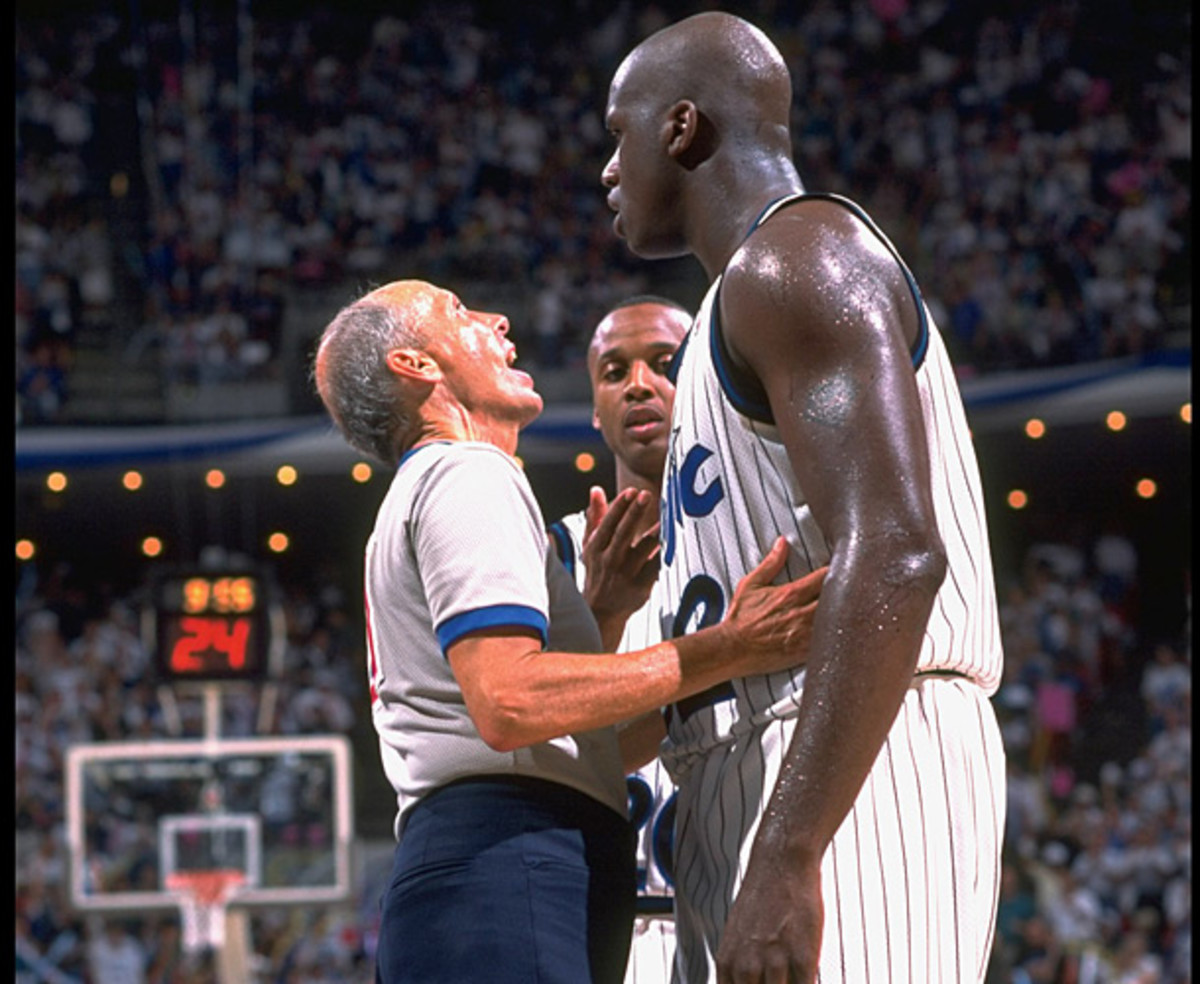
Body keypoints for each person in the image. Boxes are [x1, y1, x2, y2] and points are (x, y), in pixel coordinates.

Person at [601, 12, 1007, 984]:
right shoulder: (719, 318)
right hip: (749, 769)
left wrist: (789, 852)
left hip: (851, 765)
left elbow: (900, 552)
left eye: (618, 137)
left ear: (682, 127)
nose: (607, 173)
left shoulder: (798, 255)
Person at [311, 278, 825, 984]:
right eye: (461, 312)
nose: (497, 316)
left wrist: (601, 618)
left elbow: (578, 742)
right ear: (417, 365)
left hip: (490, 861)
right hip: (506, 857)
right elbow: (511, 702)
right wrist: (732, 645)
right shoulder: (466, 472)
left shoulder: (427, 487)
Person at [548, 296, 695, 984]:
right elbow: (529, 743)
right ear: (596, 411)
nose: (640, 383)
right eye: (615, 372)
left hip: (736, 914)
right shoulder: (547, 553)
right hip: (599, 931)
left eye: (666, 365)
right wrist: (596, 614)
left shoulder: (771, 537)